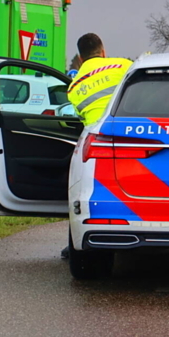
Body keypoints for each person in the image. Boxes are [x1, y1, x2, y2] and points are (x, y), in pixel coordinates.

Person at [62, 33, 132, 259]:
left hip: (100, 142)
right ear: (103, 51)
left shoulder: (74, 88)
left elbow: (83, 118)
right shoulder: (123, 65)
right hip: (135, 133)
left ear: (81, 60)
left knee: (89, 193)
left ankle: (78, 239)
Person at [66, 33, 133, 126]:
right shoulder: (124, 65)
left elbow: (84, 121)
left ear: (80, 58)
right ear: (103, 52)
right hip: (130, 129)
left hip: (99, 135)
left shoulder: (72, 89)